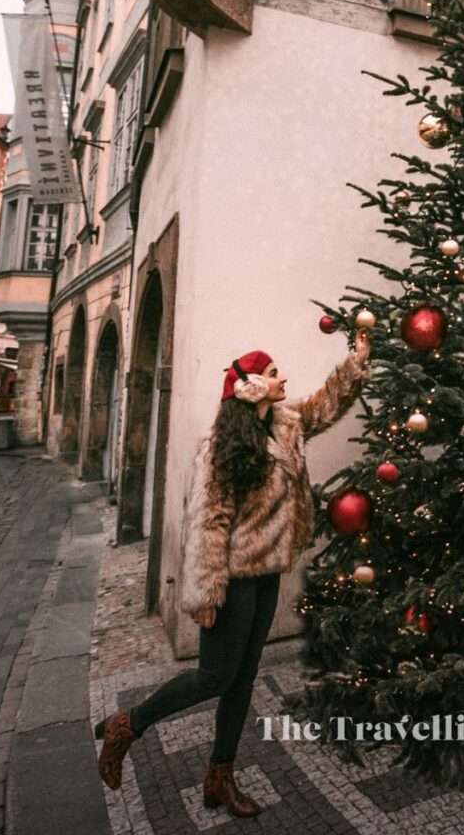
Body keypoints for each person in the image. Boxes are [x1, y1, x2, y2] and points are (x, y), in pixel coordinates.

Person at [94, 332, 371, 817]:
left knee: (242, 679)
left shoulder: (287, 425)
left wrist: (356, 361)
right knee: (213, 677)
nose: (281, 379)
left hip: (267, 573)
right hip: (232, 577)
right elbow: (209, 522)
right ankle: (128, 724)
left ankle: (219, 777)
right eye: (271, 373)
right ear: (249, 388)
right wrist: (205, 591)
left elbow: (327, 405)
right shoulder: (220, 447)